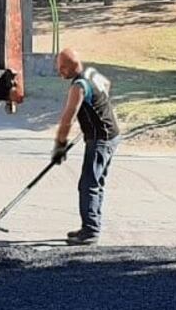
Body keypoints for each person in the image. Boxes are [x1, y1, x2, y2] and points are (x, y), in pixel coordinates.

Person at [50, 49, 122, 246]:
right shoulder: (91, 73)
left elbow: (67, 119)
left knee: (88, 184)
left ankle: (90, 231)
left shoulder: (79, 86)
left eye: (62, 68)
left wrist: (59, 146)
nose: (59, 72)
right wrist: (96, 112)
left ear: (73, 65)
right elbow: (107, 85)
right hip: (110, 135)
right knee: (95, 182)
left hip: (101, 139)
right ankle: (90, 226)